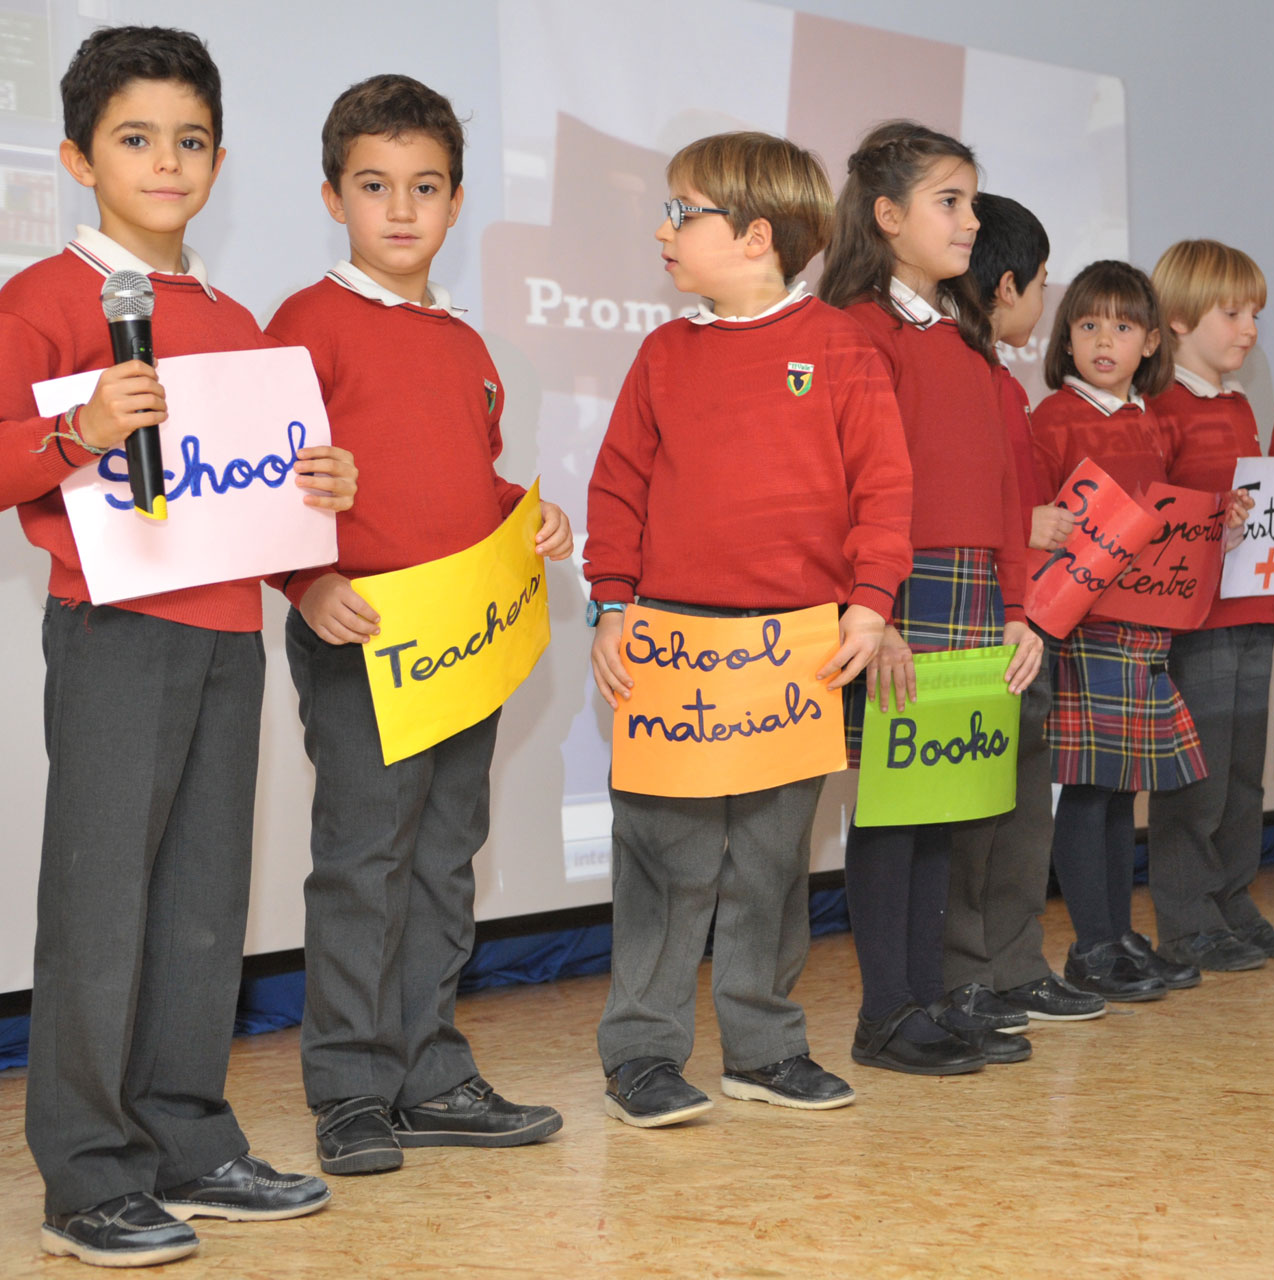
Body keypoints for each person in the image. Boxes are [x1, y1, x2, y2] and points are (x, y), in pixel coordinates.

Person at [0, 26, 353, 1268]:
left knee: (204, 898)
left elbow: (252, 495)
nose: (167, 162)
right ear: (78, 159)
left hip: (224, 632)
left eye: (190, 140)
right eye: (136, 139)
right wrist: (79, 431)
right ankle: (86, 1176)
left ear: (218, 158)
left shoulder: (233, 313)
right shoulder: (43, 298)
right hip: (112, 631)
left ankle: (188, 1138)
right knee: (100, 905)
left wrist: (318, 490)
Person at [265, 74, 573, 1177]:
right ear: (331, 195)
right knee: (363, 859)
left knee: (445, 858)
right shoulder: (303, 322)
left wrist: (523, 518)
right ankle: (349, 1087)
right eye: (374, 186)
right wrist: (305, 583)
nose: (400, 209)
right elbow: (268, 481)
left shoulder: (464, 342)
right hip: (361, 635)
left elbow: (466, 478)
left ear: (453, 202)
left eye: (425, 187)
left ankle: (429, 1071)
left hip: (463, 638)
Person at [585, 130, 913, 1126]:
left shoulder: (842, 349)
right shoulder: (662, 351)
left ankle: (763, 1047)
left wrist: (869, 600)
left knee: (770, 861)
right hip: (674, 644)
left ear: (757, 233)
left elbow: (883, 486)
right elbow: (617, 486)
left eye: (681, 211)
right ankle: (641, 1053)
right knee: (665, 861)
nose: (662, 228)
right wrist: (610, 599)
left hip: (792, 648)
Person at [817, 122, 1041, 1076]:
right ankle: (887, 1013)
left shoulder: (963, 341)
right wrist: (880, 609)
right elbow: (846, 485)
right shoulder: (857, 332)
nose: (968, 220)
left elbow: (1002, 490)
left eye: (971, 202)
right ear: (887, 215)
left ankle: (935, 995)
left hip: (973, 592)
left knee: (945, 802)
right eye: (950, 201)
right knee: (892, 811)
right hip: (899, 591)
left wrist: (1019, 607)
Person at [1030, 259, 1213, 1001]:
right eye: (1088, 324)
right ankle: (1092, 946)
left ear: (1148, 344)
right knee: (1088, 786)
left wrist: (1215, 521)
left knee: (1120, 789)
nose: (1105, 340)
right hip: (1086, 629)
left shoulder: (1150, 421)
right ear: (1067, 336)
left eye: (1124, 326)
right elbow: (1039, 520)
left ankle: (1117, 935)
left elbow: (1167, 522)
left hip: (1146, 629)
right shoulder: (1051, 420)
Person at [943, 194, 1106, 1024]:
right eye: (1045, 285)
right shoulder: (959, 376)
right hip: (972, 623)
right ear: (1007, 285)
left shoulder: (1004, 385)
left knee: (1020, 804)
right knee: (969, 815)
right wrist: (1021, 524)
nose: (1045, 304)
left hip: (1027, 621)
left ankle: (1016, 964)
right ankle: (967, 972)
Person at [1145, 240, 1274, 970]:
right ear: (1182, 318)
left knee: (1242, 771)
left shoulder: (1237, 405)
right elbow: (1155, 520)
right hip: (1194, 627)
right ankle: (1187, 916)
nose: (1249, 328)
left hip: (1252, 612)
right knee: (1195, 774)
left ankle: (1231, 897)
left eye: (1255, 313)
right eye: (1233, 312)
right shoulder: (1162, 409)